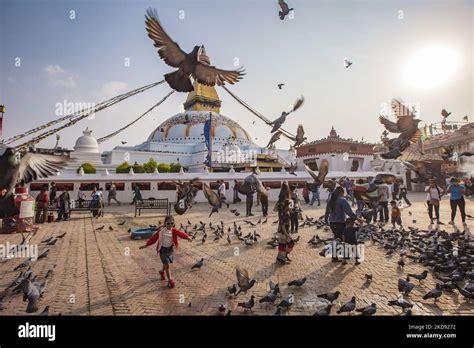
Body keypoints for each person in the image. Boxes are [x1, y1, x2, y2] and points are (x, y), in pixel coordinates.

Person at [139, 215, 191, 288]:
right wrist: (146, 245)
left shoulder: (174, 230)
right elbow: (153, 239)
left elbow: (180, 234)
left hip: (170, 250)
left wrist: (187, 237)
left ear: (173, 223)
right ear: (165, 223)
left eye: (171, 223)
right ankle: (170, 280)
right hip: (162, 250)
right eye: (168, 223)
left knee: (166, 263)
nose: (170, 225)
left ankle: (161, 271)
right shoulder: (160, 232)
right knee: (167, 265)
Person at [325, 186, 358, 262]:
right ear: (341, 192)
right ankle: (339, 257)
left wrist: (326, 218)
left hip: (332, 222)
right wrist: (356, 218)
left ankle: (335, 257)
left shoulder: (331, 200)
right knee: (340, 239)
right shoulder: (342, 200)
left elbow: (327, 211)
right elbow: (349, 212)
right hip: (340, 223)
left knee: (336, 239)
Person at [276, 199, 294, 264]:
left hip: (284, 231)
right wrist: (286, 234)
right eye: (290, 206)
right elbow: (282, 224)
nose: (291, 207)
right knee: (286, 245)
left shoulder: (286, 212)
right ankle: (282, 259)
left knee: (285, 245)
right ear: (287, 206)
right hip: (283, 232)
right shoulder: (284, 213)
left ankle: (282, 257)